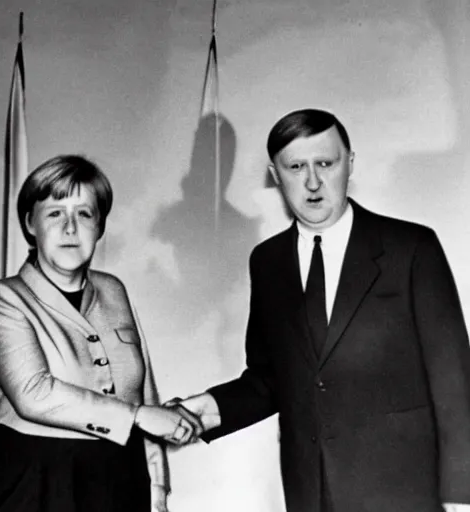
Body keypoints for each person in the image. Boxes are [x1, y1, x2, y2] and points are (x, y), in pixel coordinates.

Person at [170, 109, 470, 512]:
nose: (312, 182)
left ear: (350, 164)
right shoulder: (268, 261)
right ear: (276, 175)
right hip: (310, 494)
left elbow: (454, 383)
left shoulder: (411, 248)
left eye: (325, 163)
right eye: (295, 167)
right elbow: (270, 380)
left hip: (403, 495)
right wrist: (202, 412)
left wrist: (460, 497)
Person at [0, 155, 201, 512]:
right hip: (33, 479)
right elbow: (34, 394)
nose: (70, 228)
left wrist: (157, 484)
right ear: (30, 223)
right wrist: (137, 417)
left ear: (100, 226)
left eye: (84, 214)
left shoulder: (113, 290)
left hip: (119, 477)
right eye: (55, 213)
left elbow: (145, 390)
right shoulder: (2, 298)